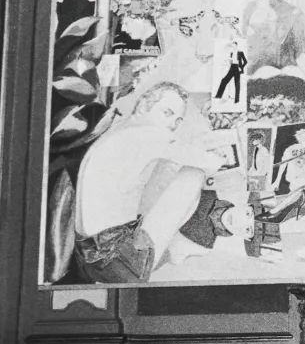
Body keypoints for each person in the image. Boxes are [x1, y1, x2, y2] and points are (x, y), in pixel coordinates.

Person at [73, 82, 223, 283]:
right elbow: (211, 162)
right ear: (143, 106)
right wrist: (221, 148)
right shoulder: (149, 134)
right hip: (118, 264)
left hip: (86, 257)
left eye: (178, 120)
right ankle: (176, 248)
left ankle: (171, 247)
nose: (172, 124)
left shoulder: (119, 130)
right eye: (167, 113)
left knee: (165, 171)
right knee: (193, 175)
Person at [214, 38, 247, 104]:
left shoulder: (240, 52)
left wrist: (241, 67)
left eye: (234, 46)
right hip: (232, 67)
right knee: (224, 80)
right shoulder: (231, 53)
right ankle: (218, 95)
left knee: (237, 84)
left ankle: (237, 100)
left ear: (236, 46)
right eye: (232, 46)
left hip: (237, 68)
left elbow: (245, 61)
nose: (233, 47)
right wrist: (229, 61)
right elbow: (231, 61)